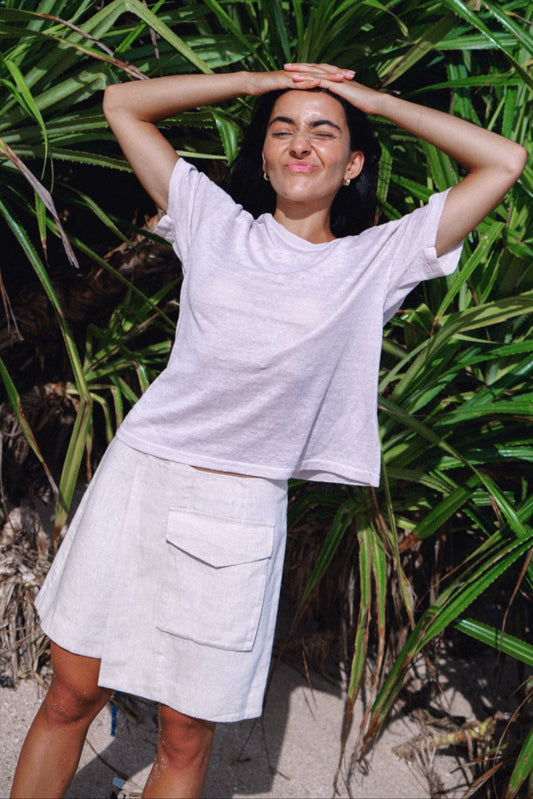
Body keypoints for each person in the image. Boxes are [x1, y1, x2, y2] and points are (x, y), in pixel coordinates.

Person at [10, 62, 526, 799]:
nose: (299, 141)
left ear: (352, 165)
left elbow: (503, 161)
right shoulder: (211, 218)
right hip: (142, 478)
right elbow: (122, 103)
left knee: (185, 735)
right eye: (282, 129)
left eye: (323, 131)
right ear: (262, 154)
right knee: (70, 694)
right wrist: (252, 83)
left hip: (236, 510)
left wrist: (369, 100)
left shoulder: (373, 262)